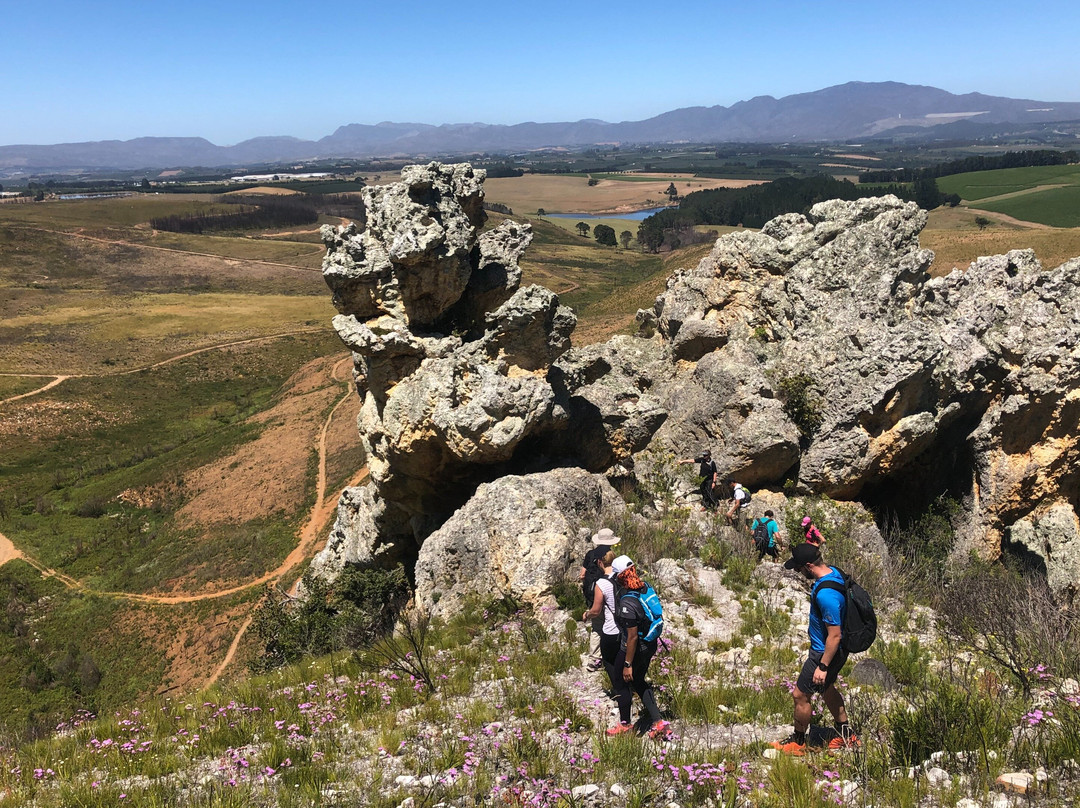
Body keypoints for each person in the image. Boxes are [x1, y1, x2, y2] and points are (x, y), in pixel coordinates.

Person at [771, 543, 858, 755]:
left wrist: (822, 664)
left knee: (800, 695)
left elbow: (834, 635)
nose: (800, 573)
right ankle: (848, 736)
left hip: (824, 652)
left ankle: (798, 742)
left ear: (809, 566)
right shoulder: (834, 572)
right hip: (835, 649)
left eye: (800, 569)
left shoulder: (825, 595)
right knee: (826, 688)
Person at [606, 555, 670, 739]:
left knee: (621, 682)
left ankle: (625, 724)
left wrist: (628, 664)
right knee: (639, 680)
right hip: (651, 643)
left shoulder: (627, 602)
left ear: (620, 577)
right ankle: (658, 722)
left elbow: (632, 637)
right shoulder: (646, 587)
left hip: (635, 648)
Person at [579, 528, 620, 671]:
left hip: (593, 595)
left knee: (597, 628)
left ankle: (594, 660)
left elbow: (582, 575)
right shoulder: (612, 556)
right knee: (612, 624)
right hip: (609, 595)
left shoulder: (590, 554)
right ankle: (612, 657)